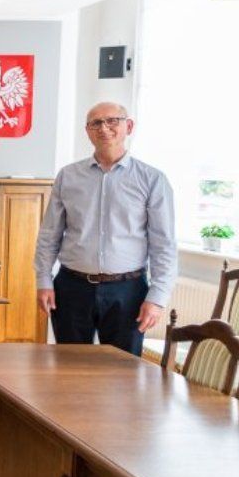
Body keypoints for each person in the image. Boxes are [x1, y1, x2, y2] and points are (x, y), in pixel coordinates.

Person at [34, 102, 176, 356]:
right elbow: (49, 235)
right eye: (96, 123)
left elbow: (163, 244)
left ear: (128, 126)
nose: (104, 128)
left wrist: (157, 298)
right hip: (71, 288)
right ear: (87, 131)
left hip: (128, 291)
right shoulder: (68, 176)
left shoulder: (153, 179)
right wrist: (44, 280)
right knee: (69, 366)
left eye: (112, 121)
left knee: (123, 371)